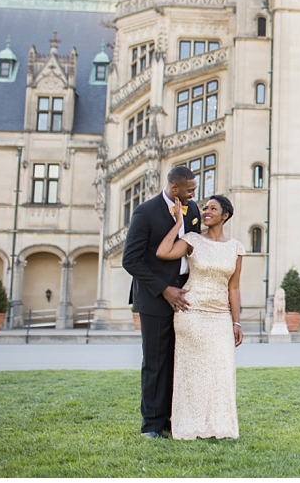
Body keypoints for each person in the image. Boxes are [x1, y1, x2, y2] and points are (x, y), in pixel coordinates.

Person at [122, 166, 201, 439]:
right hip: (155, 298)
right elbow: (130, 260)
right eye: (190, 189)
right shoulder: (145, 212)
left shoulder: (193, 212)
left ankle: (174, 421)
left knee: (178, 362)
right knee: (155, 363)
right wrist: (164, 289)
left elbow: (194, 250)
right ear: (174, 188)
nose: (194, 193)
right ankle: (152, 425)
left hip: (185, 297)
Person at [156, 194, 244, 440]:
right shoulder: (192, 239)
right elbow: (163, 253)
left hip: (220, 316)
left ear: (225, 215)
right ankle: (189, 425)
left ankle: (219, 425)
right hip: (191, 312)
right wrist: (177, 223)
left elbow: (234, 288)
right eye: (205, 208)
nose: (206, 211)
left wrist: (236, 322)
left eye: (213, 209)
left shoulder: (236, 248)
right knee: (193, 372)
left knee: (221, 371)